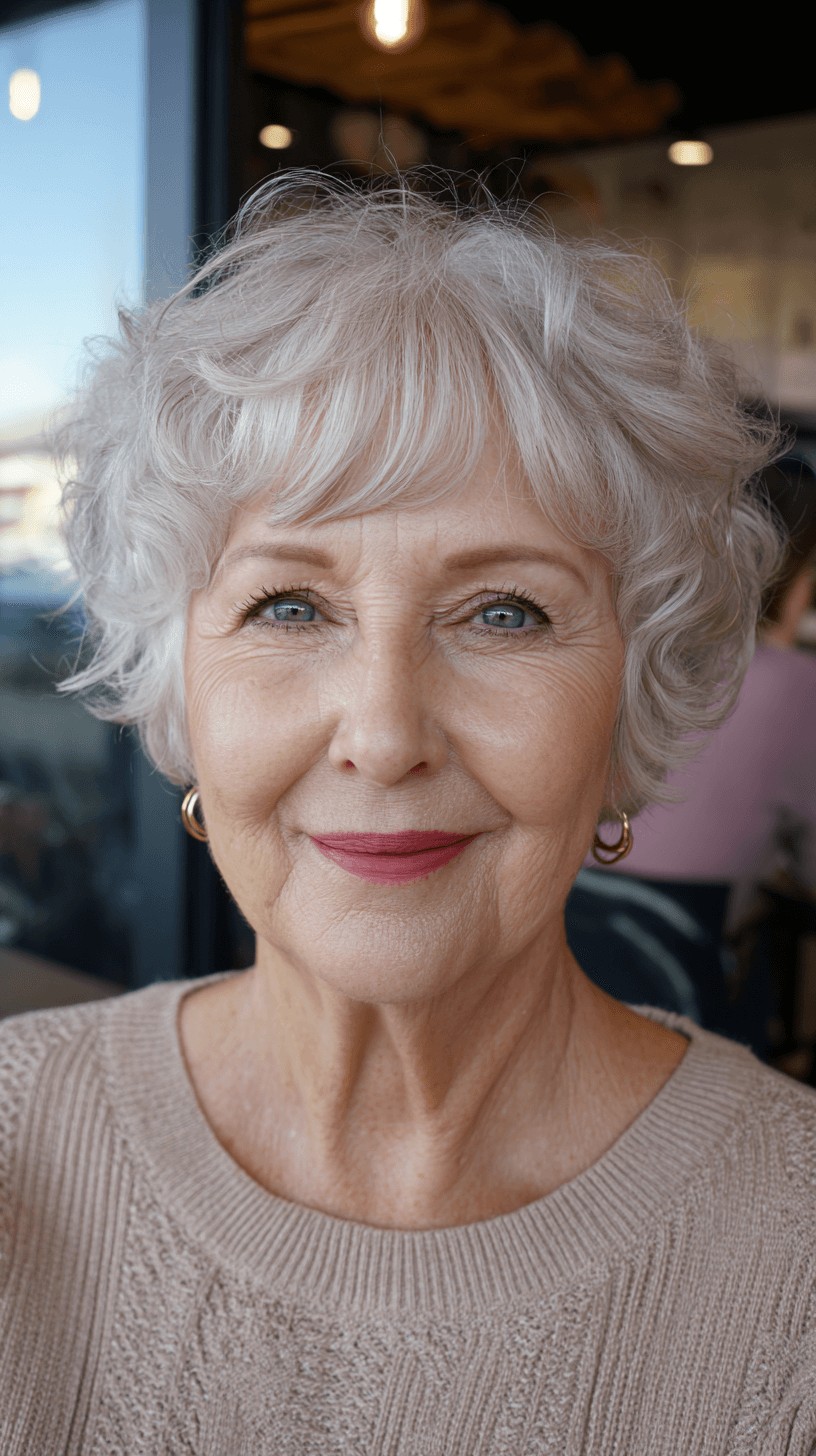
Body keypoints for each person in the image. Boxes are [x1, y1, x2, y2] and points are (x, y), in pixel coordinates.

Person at [1, 172, 814, 1455]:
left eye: (504, 611)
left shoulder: (795, 1256)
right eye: (289, 606)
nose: (384, 734)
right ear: (179, 691)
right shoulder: (15, 1144)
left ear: (632, 693)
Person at [567, 457, 816, 1044]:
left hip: (567, 916)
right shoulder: (796, 687)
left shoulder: (621, 650)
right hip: (679, 958)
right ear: (799, 576)